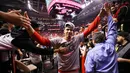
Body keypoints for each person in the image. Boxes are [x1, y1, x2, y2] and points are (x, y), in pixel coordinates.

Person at [23, 8, 106, 73]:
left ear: (73, 32)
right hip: (62, 71)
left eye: (71, 30)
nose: (69, 31)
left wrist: (99, 16)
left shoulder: (77, 39)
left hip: (74, 71)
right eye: (67, 29)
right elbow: (42, 41)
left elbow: (89, 29)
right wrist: (29, 28)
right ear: (64, 31)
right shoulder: (58, 40)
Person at [84, 3, 118, 73]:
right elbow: (112, 29)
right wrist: (108, 12)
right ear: (105, 38)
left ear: (93, 41)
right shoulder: (110, 45)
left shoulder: (91, 53)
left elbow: (89, 71)